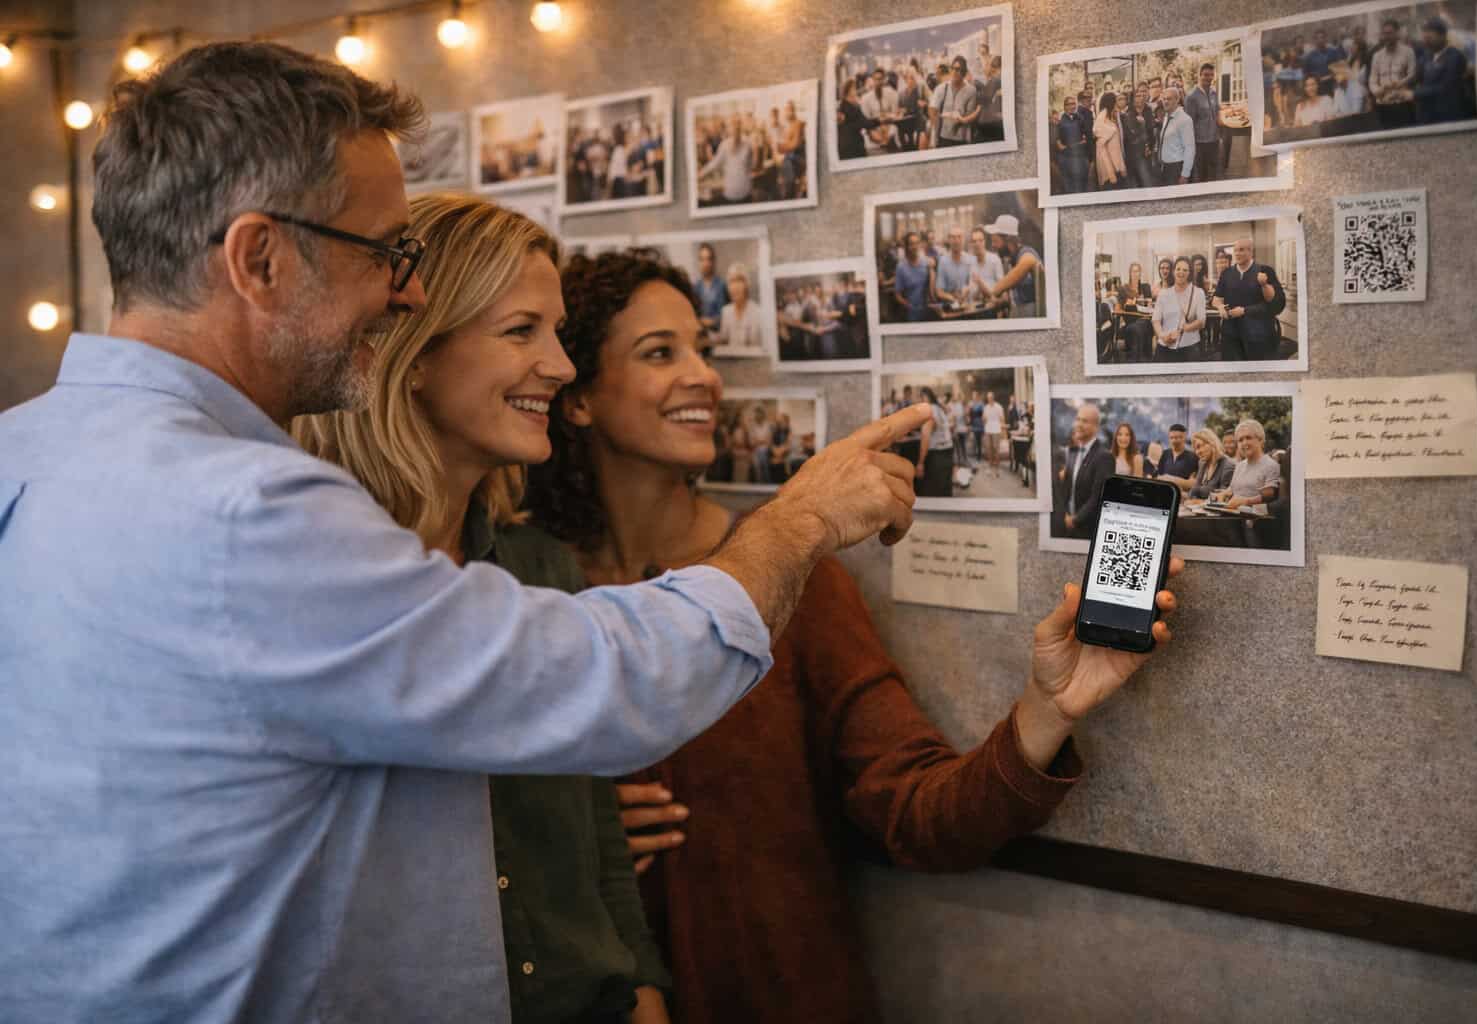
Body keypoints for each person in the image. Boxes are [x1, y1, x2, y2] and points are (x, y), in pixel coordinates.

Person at [0, 41, 932, 1023]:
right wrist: (806, 516)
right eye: (385, 252)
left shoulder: (23, 452)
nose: (405, 291)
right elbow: (595, 681)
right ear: (259, 259)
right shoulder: (247, 511)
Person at [524, 250, 1181, 1024]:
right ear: (577, 397)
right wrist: (574, 838)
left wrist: (1048, 709)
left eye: (702, 348)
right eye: (660, 353)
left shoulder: (791, 582)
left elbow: (919, 813)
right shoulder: (524, 585)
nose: (703, 375)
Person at [290, 195, 673, 1024]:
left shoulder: (541, 569)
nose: (563, 366)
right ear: (414, 354)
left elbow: (597, 834)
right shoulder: (318, 576)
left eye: (559, 332)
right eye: (520, 331)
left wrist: (642, 994)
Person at [1214, 238, 1286, 361]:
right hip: (1232, 335)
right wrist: (1220, 307)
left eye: (1241, 250)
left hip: (1257, 336)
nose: (1237, 253)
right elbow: (1216, 298)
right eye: (1235, 250)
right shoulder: (1227, 273)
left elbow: (1274, 303)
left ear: (1251, 251)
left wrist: (1264, 285)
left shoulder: (1265, 271)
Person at [1054, 402, 1115, 539]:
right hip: (1066, 528)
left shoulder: (1104, 457)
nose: (1079, 424)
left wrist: (1075, 520)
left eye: (1085, 421)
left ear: (1096, 427)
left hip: (1088, 531)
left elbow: (1099, 497)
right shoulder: (1072, 453)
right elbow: (1066, 490)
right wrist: (1064, 515)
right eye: (1078, 419)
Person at [974, 213, 1042, 319]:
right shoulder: (1011, 261)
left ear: (1009, 239)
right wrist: (999, 303)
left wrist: (994, 291)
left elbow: (1029, 261)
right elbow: (1014, 299)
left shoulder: (1026, 253)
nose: (993, 245)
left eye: (995, 241)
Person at [1213, 418, 1282, 509]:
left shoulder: (1271, 465)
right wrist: (1222, 494)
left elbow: (1269, 496)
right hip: (1233, 515)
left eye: (1248, 438)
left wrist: (1246, 501)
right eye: (1240, 440)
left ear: (1260, 440)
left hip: (1255, 520)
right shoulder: (1240, 465)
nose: (1244, 443)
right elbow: (1233, 489)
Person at [1415, 16, 1471, 125]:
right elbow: (1418, 77)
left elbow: (1446, 86)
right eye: (1424, 36)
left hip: (1448, 113)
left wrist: (1413, 94)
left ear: (1443, 36)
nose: (1426, 40)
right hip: (1428, 113)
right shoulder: (1427, 55)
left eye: (1430, 36)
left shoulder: (1455, 56)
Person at [1152, 256, 1205, 363]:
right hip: (1164, 346)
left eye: (1185, 270)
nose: (1181, 272)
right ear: (1173, 271)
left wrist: (1186, 328)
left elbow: (1201, 321)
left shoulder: (1198, 293)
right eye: (1178, 269)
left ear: (1190, 273)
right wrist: (1163, 336)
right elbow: (1156, 320)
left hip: (1189, 346)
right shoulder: (1164, 293)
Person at [1369, 19, 1417, 130]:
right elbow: (1372, 80)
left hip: (1403, 105)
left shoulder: (1408, 52)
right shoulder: (1377, 56)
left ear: (1397, 33)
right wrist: (1379, 91)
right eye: (1384, 33)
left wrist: (1398, 84)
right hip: (1383, 106)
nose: (1387, 37)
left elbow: (1412, 75)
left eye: (1390, 33)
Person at [697, 115, 755, 204]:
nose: (736, 128)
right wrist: (700, 175)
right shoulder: (728, 145)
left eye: (737, 125)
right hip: (737, 192)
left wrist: (699, 175)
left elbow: (750, 167)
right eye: (734, 125)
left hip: (739, 192)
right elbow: (714, 164)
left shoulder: (745, 144)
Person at [931, 55, 980, 148]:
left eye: (958, 69)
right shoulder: (942, 88)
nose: (954, 72)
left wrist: (959, 117)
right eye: (952, 68)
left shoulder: (971, 91)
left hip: (961, 140)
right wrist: (935, 137)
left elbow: (970, 116)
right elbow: (934, 113)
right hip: (943, 138)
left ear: (964, 72)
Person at [915, 386, 955, 498]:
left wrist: (920, 463)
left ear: (925, 397)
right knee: (945, 492)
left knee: (933, 493)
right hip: (948, 452)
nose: (919, 401)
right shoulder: (939, 409)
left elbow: (925, 437)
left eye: (920, 398)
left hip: (937, 457)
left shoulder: (928, 411)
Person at [1185, 62, 1221, 183]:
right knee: (1202, 175)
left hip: (1214, 140)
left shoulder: (1214, 92)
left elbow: (1217, 112)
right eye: (1206, 75)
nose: (1209, 78)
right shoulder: (1191, 96)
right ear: (1199, 75)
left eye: (1211, 75)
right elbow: (1189, 124)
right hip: (1200, 143)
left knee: (1214, 173)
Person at [718, 262, 762, 355]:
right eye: (731, 282)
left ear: (746, 284)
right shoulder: (726, 311)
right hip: (731, 364)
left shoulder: (757, 311)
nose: (734, 287)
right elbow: (723, 341)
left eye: (739, 281)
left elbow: (755, 348)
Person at [1181, 428, 1236, 501]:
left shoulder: (1228, 465)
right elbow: (1194, 490)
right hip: (1197, 509)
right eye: (1195, 449)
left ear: (1211, 443)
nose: (1197, 452)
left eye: (1199, 446)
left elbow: (1223, 499)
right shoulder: (1202, 463)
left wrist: (1198, 502)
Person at [1155, 85, 1195, 185]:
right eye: (1164, 99)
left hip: (1176, 168)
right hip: (1165, 168)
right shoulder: (1167, 116)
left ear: (1177, 100)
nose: (1165, 101)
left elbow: (1190, 148)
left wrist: (1185, 174)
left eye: (1169, 99)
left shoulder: (1184, 120)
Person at [836, 78, 881, 161]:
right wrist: (880, 120)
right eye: (854, 88)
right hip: (853, 146)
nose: (856, 91)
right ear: (849, 91)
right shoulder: (851, 108)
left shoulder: (843, 106)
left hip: (844, 146)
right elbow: (865, 123)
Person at [891, 230, 932, 323]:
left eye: (917, 243)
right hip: (912, 314)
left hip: (928, 311)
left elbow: (931, 287)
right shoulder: (901, 267)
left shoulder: (925, 262)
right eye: (911, 244)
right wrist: (909, 306)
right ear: (906, 246)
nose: (915, 247)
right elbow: (897, 295)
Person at [1122, 83, 1157, 189]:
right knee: (1144, 182)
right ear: (1132, 99)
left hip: (1147, 152)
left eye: (1142, 95)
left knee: (1147, 181)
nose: (1141, 97)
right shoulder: (1128, 114)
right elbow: (1132, 136)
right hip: (1135, 154)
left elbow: (1151, 130)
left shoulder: (1148, 110)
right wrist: (1142, 126)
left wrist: (1150, 146)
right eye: (1137, 95)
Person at [934, 226, 976, 311]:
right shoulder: (943, 261)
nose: (956, 241)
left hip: (967, 308)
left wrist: (968, 289)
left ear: (964, 240)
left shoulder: (971, 260)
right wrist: (953, 298)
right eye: (953, 237)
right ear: (949, 240)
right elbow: (939, 291)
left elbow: (973, 284)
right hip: (950, 308)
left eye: (959, 237)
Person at [1055, 93, 1091, 194]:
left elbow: (1085, 137)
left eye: (1074, 104)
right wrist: (1075, 145)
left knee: (1083, 184)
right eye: (1069, 104)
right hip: (1068, 159)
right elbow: (1059, 145)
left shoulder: (1080, 118)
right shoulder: (1060, 122)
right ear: (1065, 106)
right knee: (1070, 187)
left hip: (1081, 157)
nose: (1072, 106)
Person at [692, 242, 727, 341]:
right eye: (702, 259)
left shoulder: (721, 285)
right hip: (700, 336)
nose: (705, 263)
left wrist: (711, 322)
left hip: (718, 336)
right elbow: (693, 315)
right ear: (699, 262)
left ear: (713, 262)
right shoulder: (695, 287)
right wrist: (700, 322)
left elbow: (725, 315)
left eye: (708, 259)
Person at [1093, 92, 1128, 189]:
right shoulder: (1102, 119)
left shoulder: (1113, 116)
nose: (1118, 103)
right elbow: (1101, 149)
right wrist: (1110, 173)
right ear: (1111, 102)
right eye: (1116, 100)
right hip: (1110, 171)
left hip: (1117, 167)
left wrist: (1121, 167)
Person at [860, 67, 899, 150]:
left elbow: (895, 113)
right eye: (876, 79)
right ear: (873, 80)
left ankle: (885, 143)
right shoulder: (866, 98)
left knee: (893, 129)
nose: (878, 82)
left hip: (889, 124)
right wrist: (878, 121)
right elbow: (865, 120)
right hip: (874, 127)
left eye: (880, 79)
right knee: (871, 131)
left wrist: (887, 118)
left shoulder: (890, 93)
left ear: (884, 80)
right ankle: (884, 143)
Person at [776, 99, 806, 200]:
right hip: (790, 159)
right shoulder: (786, 127)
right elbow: (782, 146)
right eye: (786, 110)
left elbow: (795, 144)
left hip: (798, 160)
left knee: (786, 164)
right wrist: (783, 147)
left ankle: (788, 194)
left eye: (790, 109)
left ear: (793, 111)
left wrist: (783, 147)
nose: (788, 112)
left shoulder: (799, 124)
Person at [1302, 28, 1345, 94]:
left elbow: (1340, 71)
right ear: (1314, 40)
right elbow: (1306, 74)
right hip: (1317, 89)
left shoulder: (1333, 53)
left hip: (1331, 87)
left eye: (1322, 37)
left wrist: (1337, 84)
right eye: (1318, 38)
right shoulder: (1309, 57)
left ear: (1326, 39)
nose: (1320, 40)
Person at [976, 55, 1006, 143]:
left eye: (986, 65)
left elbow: (984, 98)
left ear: (993, 67)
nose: (984, 68)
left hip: (990, 124)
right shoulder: (996, 80)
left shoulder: (995, 79)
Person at [982, 390, 1006, 474]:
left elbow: (1002, 419)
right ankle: (990, 466)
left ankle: (997, 467)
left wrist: (1003, 432)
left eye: (991, 397)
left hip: (996, 429)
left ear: (993, 398)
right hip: (988, 429)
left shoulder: (998, 407)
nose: (989, 399)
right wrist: (984, 421)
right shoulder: (986, 407)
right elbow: (984, 418)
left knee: (996, 448)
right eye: (988, 398)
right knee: (989, 449)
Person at [948, 391, 971, 469]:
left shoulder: (960, 405)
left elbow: (965, 417)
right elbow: (951, 418)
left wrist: (967, 425)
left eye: (956, 396)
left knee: (964, 446)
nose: (955, 398)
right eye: (954, 396)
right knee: (956, 448)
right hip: (955, 430)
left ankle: (964, 461)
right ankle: (958, 463)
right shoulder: (950, 405)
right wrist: (954, 430)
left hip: (963, 429)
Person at [968, 389, 986, 464]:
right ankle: (975, 454)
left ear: (977, 396)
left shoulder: (981, 404)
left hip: (979, 423)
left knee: (979, 440)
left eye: (975, 395)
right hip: (973, 423)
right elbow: (969, 414)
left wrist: (984, 424)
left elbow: (983, 414)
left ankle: (979, 455)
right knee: (973, 440)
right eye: (973, 395)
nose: (974, 396)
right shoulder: (970, 403)